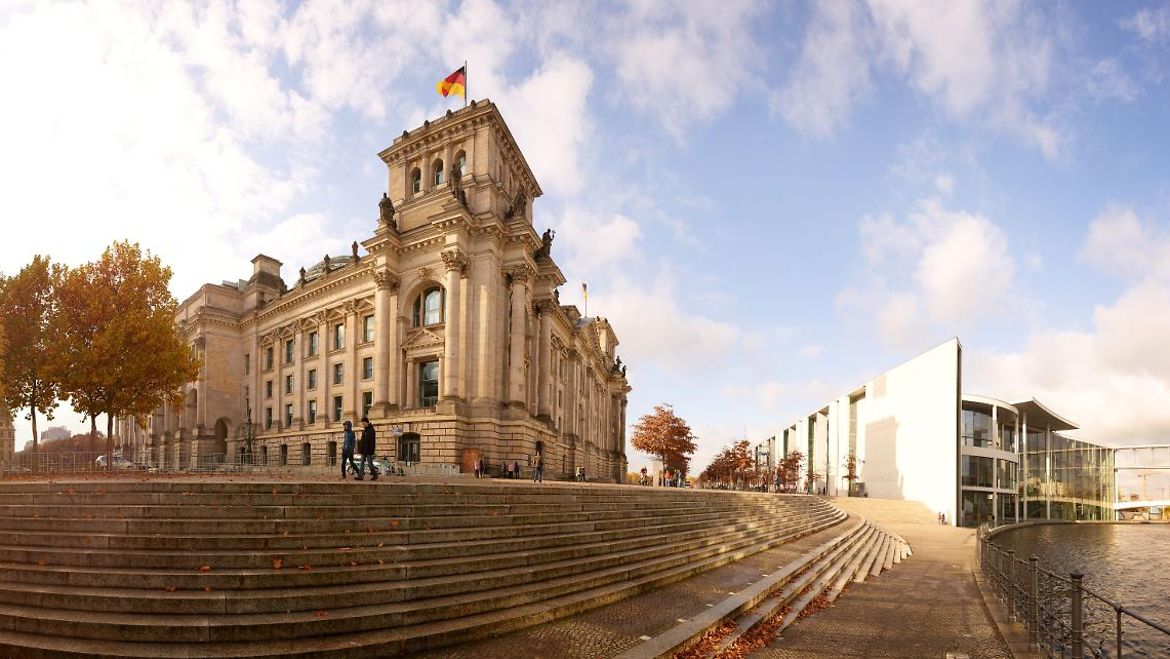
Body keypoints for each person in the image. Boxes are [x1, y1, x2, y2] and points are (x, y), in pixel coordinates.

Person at [356, 417, 377, 481]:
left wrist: (371, 450)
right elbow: (362, 441)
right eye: (362, 423)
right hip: (363, 450)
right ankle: (360, 476)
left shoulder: (371, 430)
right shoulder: (364, 430)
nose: (363, 424)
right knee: (361, 463)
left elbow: (373, 442)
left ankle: (375, 475)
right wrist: (360, 449)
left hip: (369, 451)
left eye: (363, 423)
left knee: (370, 464)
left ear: (366, 422)